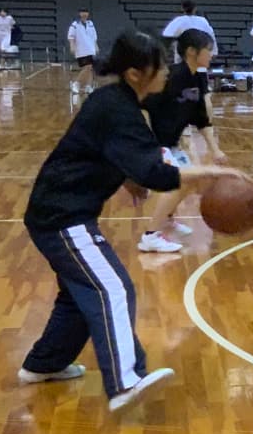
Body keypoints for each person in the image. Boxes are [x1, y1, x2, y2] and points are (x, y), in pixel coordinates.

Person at [18, 31, 240, 410]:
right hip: (62, 218)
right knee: (113, 288)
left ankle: (44, 364)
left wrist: (129, 175)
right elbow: (157, 174)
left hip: (60, 212)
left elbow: (116, 156)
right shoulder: (116, 109)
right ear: (137, 73)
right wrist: (211, 174)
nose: (167, 73)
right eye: (159, 66)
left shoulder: (118, 103)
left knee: (77, 294)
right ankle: (125, 381)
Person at [138, 29, 223, 254]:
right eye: (209, 50)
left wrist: (216, 150)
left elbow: (201, 120)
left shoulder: (197, 79)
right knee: (180, 181)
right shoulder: (170, 77)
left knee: (193, 181)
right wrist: (149, 146)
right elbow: (142, 108)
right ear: (192, 52)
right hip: (155, 144)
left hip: (171, 144)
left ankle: (166, 220)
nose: (212, 55)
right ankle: (150, 236)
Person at [66, 9, 99, 97]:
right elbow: (71, 37)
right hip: (81, 51)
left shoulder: (90, 24)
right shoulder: (75, 24)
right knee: (87, 67)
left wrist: (96, 46)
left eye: (86, 12)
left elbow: (94, 36)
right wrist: (72, 46)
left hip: (90, 49)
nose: (84, 14)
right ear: (80, 14)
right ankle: (76, 83)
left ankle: (88, 87)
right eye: (82, 12)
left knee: (91, 68)